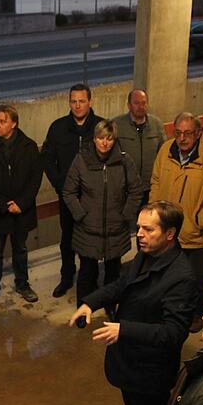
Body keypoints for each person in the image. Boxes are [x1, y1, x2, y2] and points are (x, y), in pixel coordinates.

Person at [69, 201, 196, 405]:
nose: (139, 234)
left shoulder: (181, 277)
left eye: (148, 229)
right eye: (138, 227)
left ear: (170, 234)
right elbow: (121, 285)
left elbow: (173, 333)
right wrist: (90, 303)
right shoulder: (145, 254)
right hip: (130, 361)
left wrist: (124, 330)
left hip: (150, 371)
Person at [150, 112, 203, 332]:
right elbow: (156, 180)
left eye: (187, 133)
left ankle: (197, 313)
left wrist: (197, 221)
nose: (182, 138)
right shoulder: (166, 150)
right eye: (178, 133)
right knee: (166, 273)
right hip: (167, 231)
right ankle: (170, 309)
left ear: (198, 133)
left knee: (196, 279)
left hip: (196, 235)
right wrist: (156, 213)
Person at [62, 120, 142, 324]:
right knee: (87, 272)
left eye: (109, 138)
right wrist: (81, 214)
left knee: (113, 273)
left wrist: (125, 215)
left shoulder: (124, 162)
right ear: (94, 139)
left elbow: (136, 190)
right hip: (87, 229)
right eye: (100, 138)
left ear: (114, 140)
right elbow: (69, 192)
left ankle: (110, 306)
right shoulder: (82, 160)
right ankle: (83, 308)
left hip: (116, 228)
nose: (104, 143)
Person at [0, 104, 43, 313]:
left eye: (2, 121)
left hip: (21, 212)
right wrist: (4, 205)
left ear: (13, 123)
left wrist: (21, 203)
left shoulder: (29, 146)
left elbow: (35, 178)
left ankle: (22, 284)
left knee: (20, 249)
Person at [41, 83, 104, 298]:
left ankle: (91, 280)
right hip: (67, 197)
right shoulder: (58, 127)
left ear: (90, 102)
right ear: (69, 103)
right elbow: (48, 159)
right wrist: (61, 185)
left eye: (82, 101)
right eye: (73, 101)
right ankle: (67, 277)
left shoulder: (101, 126)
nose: (77, 106)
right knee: (67, 238)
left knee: (92, 239)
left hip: (93, 198)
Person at [111, 89, 165, 206]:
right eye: (137, 103)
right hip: (126, 189)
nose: (141, 107)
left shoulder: (157, 124)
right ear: (129, 105)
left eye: (144, 103)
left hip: (150, 188)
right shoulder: (117, 124)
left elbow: (163, 153)